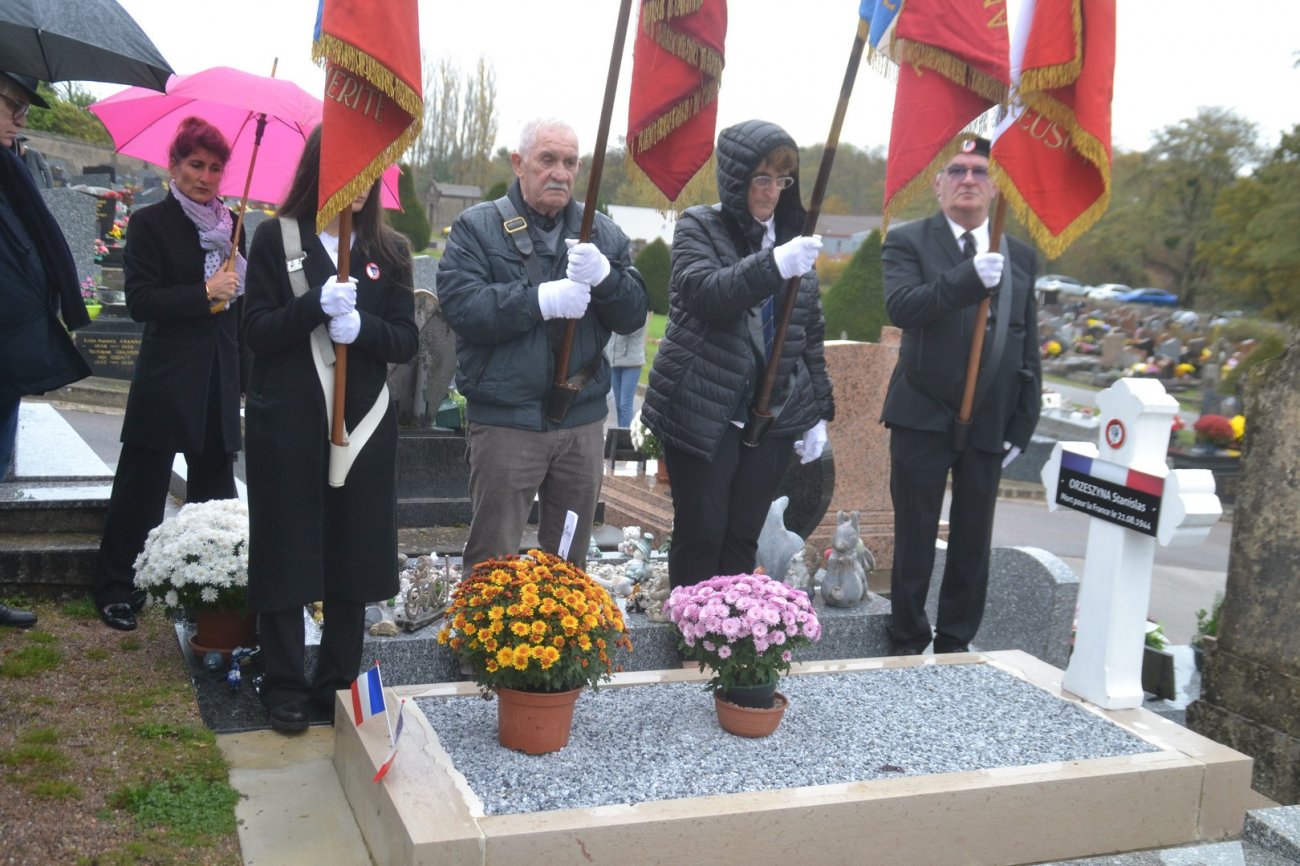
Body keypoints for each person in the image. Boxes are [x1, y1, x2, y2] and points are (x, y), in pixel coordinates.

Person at [242, 126, 417, 733]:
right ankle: (284, 684)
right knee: (285, 551)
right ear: (321, 167)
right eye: (349, 166)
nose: (359, 183)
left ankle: (336, 681)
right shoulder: (276, 238)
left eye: (370, 170)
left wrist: (361, 328)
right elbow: (256, 331)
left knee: (352, 553)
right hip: (287, 424)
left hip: (360, 426)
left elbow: (405, 339)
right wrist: (312, 305)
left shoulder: (390, 251)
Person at [437, 118, 648, 570]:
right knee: (492, 561)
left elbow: (633, 315)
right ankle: (484, 622)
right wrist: (541, 300)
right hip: (506, 422)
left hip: (581, 422)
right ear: (519, 163)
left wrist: (608, 278)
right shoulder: (476, 228)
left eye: (570, 162)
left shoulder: (603, 233)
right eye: (547, 160)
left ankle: (563, 620)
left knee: (568, 562)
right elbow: (464, 308)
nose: (560, 173)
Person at [640, 119, 834, 589]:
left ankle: (730, 626)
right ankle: (691, 625)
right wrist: (774, 265)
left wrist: (816, 414)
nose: (770, 191)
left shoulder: (793, 238)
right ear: (735, 178)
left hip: (771, 414)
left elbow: (807, 332)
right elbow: (705, 293)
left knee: (744, 535)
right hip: (705, 406)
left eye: (781, 180)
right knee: (701, 532)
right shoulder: (700, 226)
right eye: (760, 178)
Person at [880, 137, 1041, 655]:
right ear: (938, 184)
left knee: (974, 538)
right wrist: (966, 279)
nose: (968, 179)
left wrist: (1024, 420)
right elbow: (904, 306)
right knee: (915, 534)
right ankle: (907, 638)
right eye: (956, 170)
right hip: (922, 411)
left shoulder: (1019, 255)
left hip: (990, 417)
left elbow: (1025, 340)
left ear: (995, 187)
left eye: (979, 171)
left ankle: (955, 642)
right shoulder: (908, 241)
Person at [91, 116, 245, 632]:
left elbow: (240, 314)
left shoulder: (234, 228)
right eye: (196, 165)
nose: (206, 176)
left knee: (214, 496)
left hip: (218, 377)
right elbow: (141, 301)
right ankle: (118, 587)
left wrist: (244, 376)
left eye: (215, 168)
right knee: (141, 487)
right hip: (167, 376)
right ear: (174, 166)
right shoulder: (150, 223)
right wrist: (205, 293)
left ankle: (211, 594)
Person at [606, 312, 647, 428]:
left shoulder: (638, 310)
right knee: (618, 404)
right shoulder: (616, 309)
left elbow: (631, 329)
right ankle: (622, 431)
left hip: (632, 363)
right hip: (614, 361)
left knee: (625, 404)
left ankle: (623, 436)